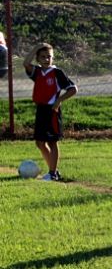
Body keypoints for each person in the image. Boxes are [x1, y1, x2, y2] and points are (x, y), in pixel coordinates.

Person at [23, 42, 78, 181]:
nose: (47, 59)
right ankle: (53, 171)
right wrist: (35, 47)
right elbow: (25, 63)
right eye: (43, 57)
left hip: (52, 110)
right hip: (41, 110)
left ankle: (52, 173)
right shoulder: (37, 72)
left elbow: (73, 89)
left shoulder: (57, 73)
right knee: (40, 142)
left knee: (52, 141)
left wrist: (59, 100)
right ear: (38, 59)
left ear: (53, 58)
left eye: (49, 56)